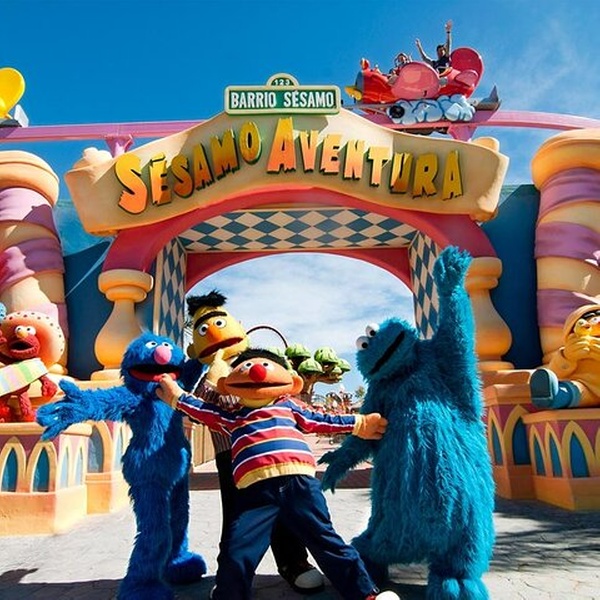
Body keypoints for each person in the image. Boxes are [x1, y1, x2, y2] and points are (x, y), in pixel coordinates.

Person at [157, 347, 397, 600]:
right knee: (238, 548)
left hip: (299, 484)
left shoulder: (289, 406)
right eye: (246, 367)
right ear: (228, 384)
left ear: (290, 381)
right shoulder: (232, 415)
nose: (257, 372)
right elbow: (202, 410)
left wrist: (360, 423)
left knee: (325, 539)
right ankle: (229, 594)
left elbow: (322, 419)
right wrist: (176, 397)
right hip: (254, 493)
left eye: (265, 366)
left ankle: (365, 594)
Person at [183, 290, 325, 593]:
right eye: (204, 329)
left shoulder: (255, 363)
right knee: (237, 518)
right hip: (231, 457)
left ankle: (294, 562)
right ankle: (231, 577)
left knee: (283, 511)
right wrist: (213, 375)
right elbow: (198, 409)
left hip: (272, 450)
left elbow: (283, 395)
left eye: (220, 323)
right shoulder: (208, 377)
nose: (216, 334)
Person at [529, 304, 600, 408]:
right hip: (585, 386)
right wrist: (567, 357)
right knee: (572, 390)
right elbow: (556, 373)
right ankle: (551, 397)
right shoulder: (568, 351)